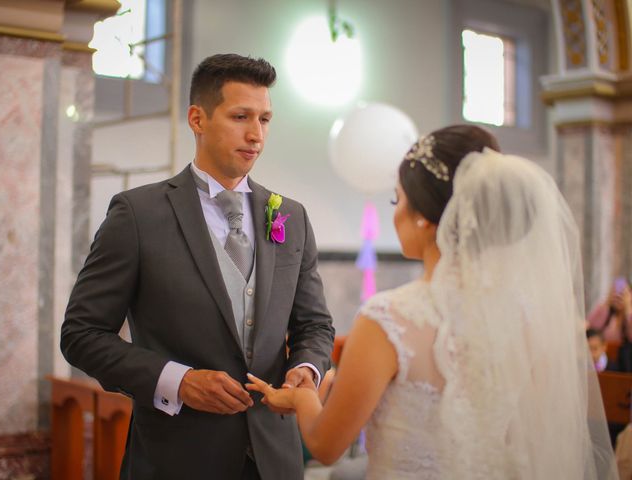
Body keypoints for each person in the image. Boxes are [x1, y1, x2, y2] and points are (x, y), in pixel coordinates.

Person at [248, 125, 617, 479]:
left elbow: (325, 444)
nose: (395, 212)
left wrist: (303, 398)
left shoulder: (388, 318)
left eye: (398, 199)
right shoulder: (526, 314)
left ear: (423, 218)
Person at [61, 53, 335, 480]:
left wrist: (306, 368)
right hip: (175, 458)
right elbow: (81, 335)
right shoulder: (138, 214)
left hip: (274, 459)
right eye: (240, 116)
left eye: (265, 120)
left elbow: (315, 325)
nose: (256, 135)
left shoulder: (292, 217)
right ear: (197, 118)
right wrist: (177, 381)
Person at [587, 279, 632, 371]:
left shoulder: (629, 314)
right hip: (603, 365)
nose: (619, 296)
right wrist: (606, 305)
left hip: (626, 366)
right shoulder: (605, 311)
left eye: (623, 293)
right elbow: (590, 329)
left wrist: (628, 309)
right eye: (616, 292)